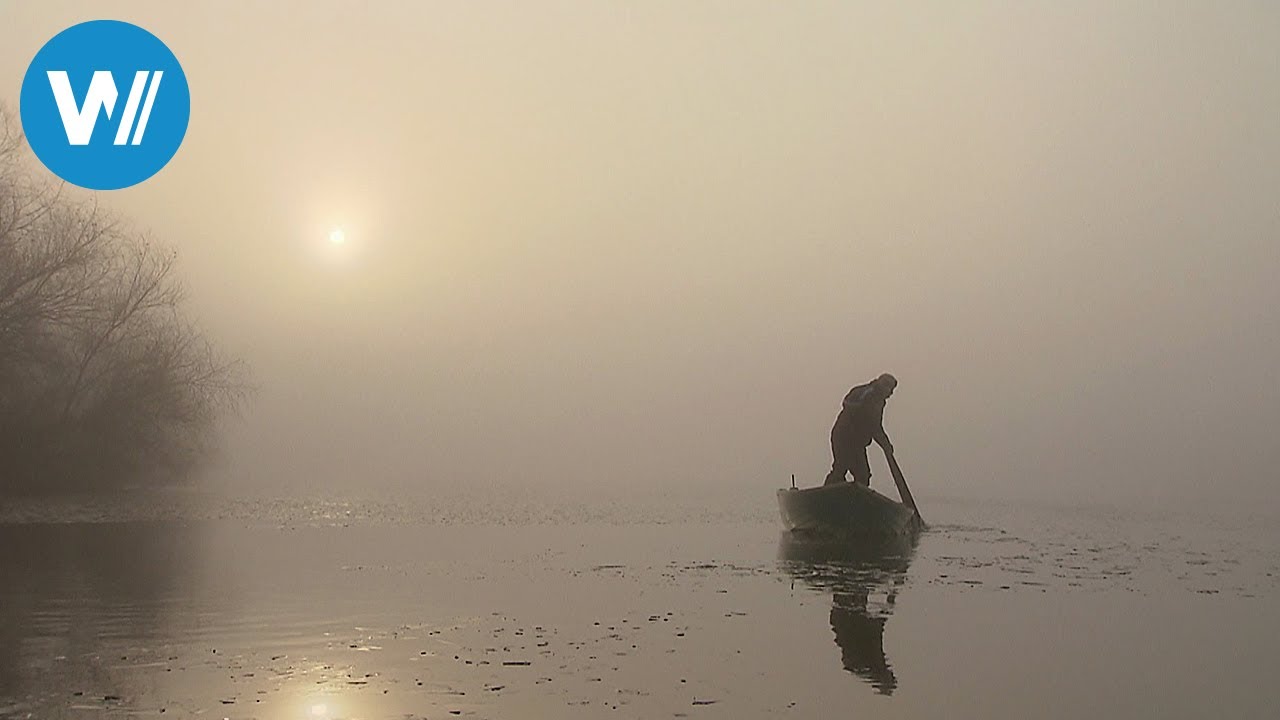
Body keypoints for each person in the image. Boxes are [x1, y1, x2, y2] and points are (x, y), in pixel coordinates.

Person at [824, 373, 897, 487]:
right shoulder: (870, 395)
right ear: (882, 385)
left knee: (862, 475)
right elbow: (874, 427)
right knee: (841, 468)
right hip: (844, 437)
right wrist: (885, 444)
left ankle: (850, 500)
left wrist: (885, 444)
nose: (891, 393)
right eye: (890, 389)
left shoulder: (878, 400)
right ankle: (827, 496)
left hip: (856, 443)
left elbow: (876, 425)